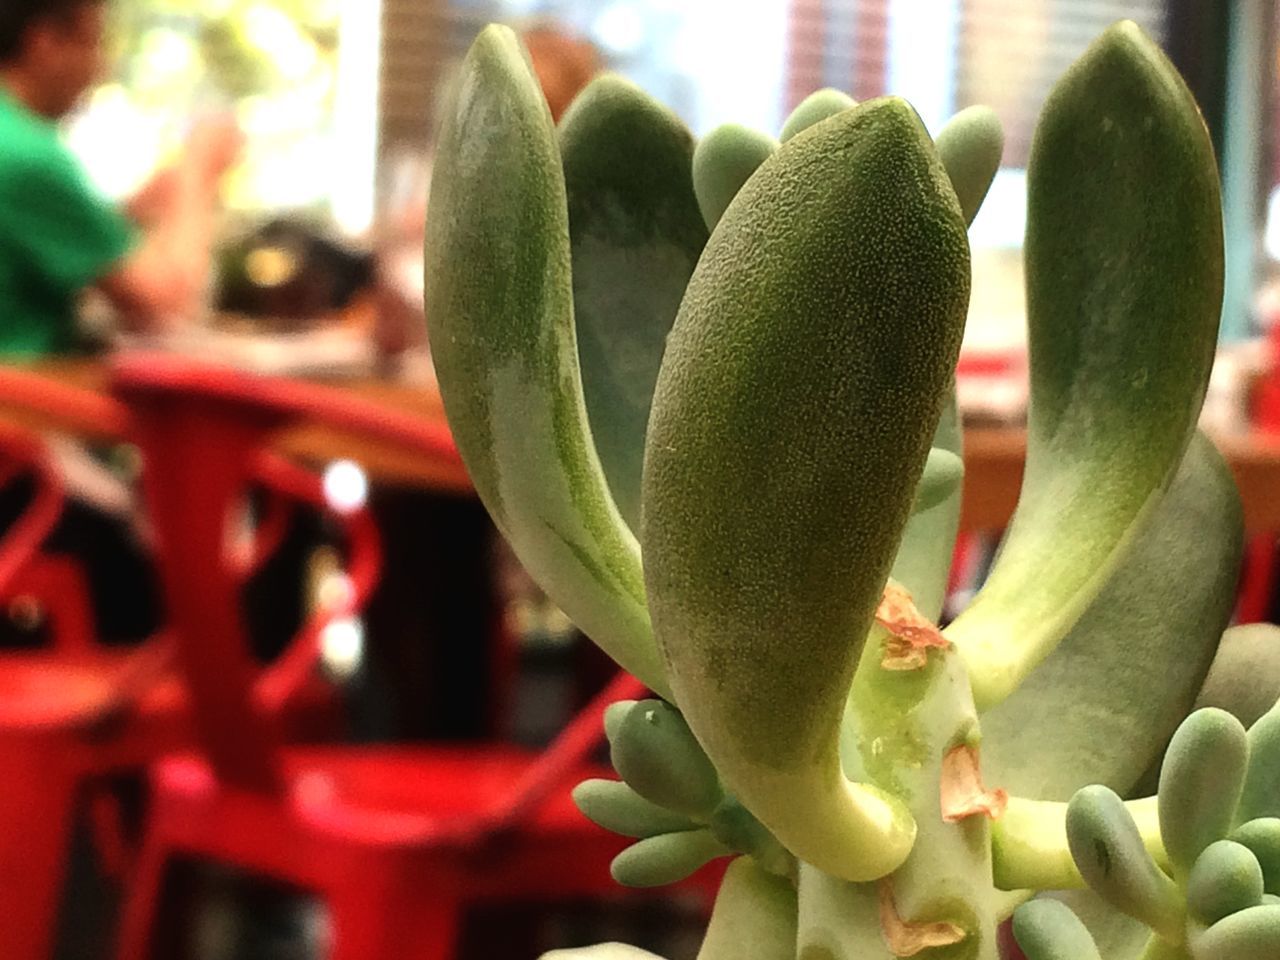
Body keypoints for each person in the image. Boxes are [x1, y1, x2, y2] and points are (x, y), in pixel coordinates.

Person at [0, 0, 241, 355]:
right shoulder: (28, 155)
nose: (102, 68)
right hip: (24, 403)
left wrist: (128, 213)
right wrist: (198, 171)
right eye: (93, 44)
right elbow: (166, 306)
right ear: (45, 44)